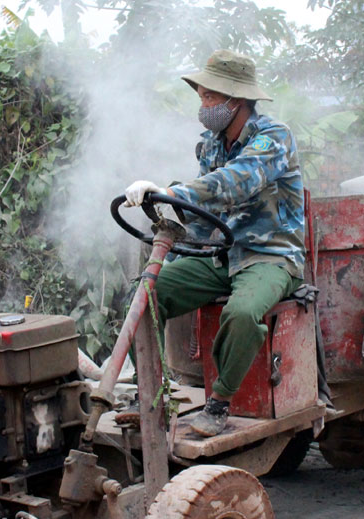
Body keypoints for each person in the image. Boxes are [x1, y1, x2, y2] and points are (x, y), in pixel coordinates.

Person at [123, 49, 305, 437]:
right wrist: (168, 211)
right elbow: (210, 214)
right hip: (222, 256)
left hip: (269, 256)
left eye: (209, 98)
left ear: (234, 100)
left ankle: (219, 404)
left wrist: (173, 191)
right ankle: (152, 394)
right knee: (147, 295)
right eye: (201, 97)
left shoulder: (273, 138)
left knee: (241, 313)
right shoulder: (210, 145)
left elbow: (236, 181)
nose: (202, 106)